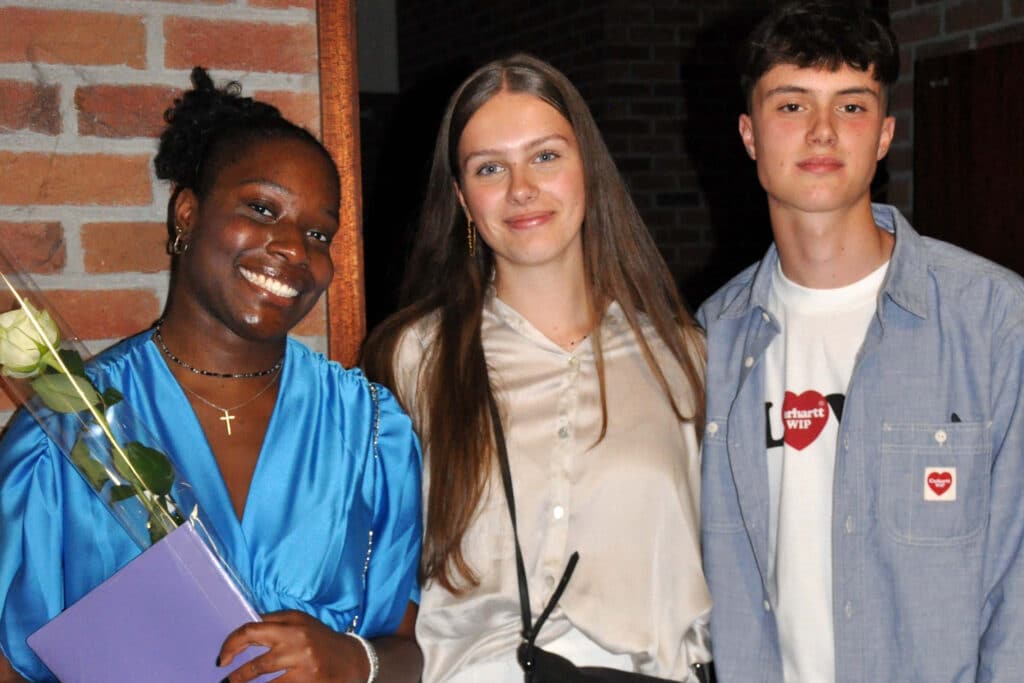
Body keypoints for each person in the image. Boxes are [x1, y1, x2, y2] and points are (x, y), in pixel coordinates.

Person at [0, 68, 423, 683]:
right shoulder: (69, 429)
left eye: (318, 233)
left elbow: (410, 651)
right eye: (262, 209)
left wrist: (353, 659)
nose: (294, 248)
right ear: (187, 214)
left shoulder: (371, 430)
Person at [697, 2, 1024, 681]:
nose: (822, 131)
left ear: (883, 135)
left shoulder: (994, 321)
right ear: (749, 134)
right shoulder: (710, 341)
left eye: (851, 106)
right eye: (792, 106)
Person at [361, 54, 713, 682]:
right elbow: (371, 573)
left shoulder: (685, 359)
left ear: (588, 171)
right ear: (463, 199)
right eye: (490, 168)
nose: (521, 188)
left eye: (545, 156)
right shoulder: (413, 360)